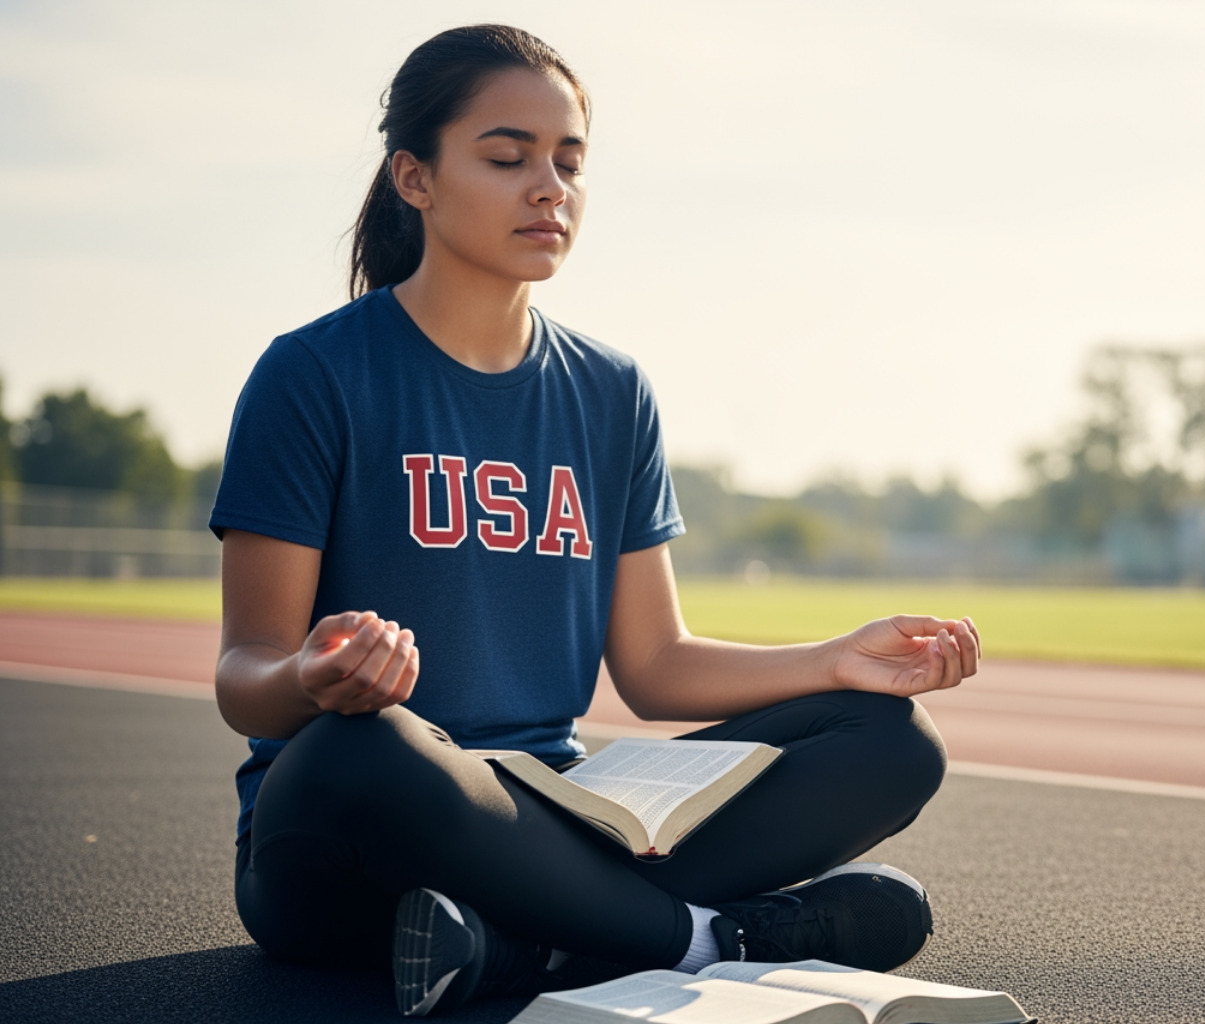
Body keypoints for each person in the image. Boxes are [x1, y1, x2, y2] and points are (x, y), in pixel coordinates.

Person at [211, 24, 980, 1018]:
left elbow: (655, 665)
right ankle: (713, 937)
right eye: (507, 156)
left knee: (891, 738)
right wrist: (312, 675)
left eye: (569, 162)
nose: (550, 188)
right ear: (415, 178)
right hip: (351, 835)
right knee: (371, 744)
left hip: (560, 816)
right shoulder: (312, 376)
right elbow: (246, 678)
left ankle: (521, 946)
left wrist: (838, 659)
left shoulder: (612, 391)